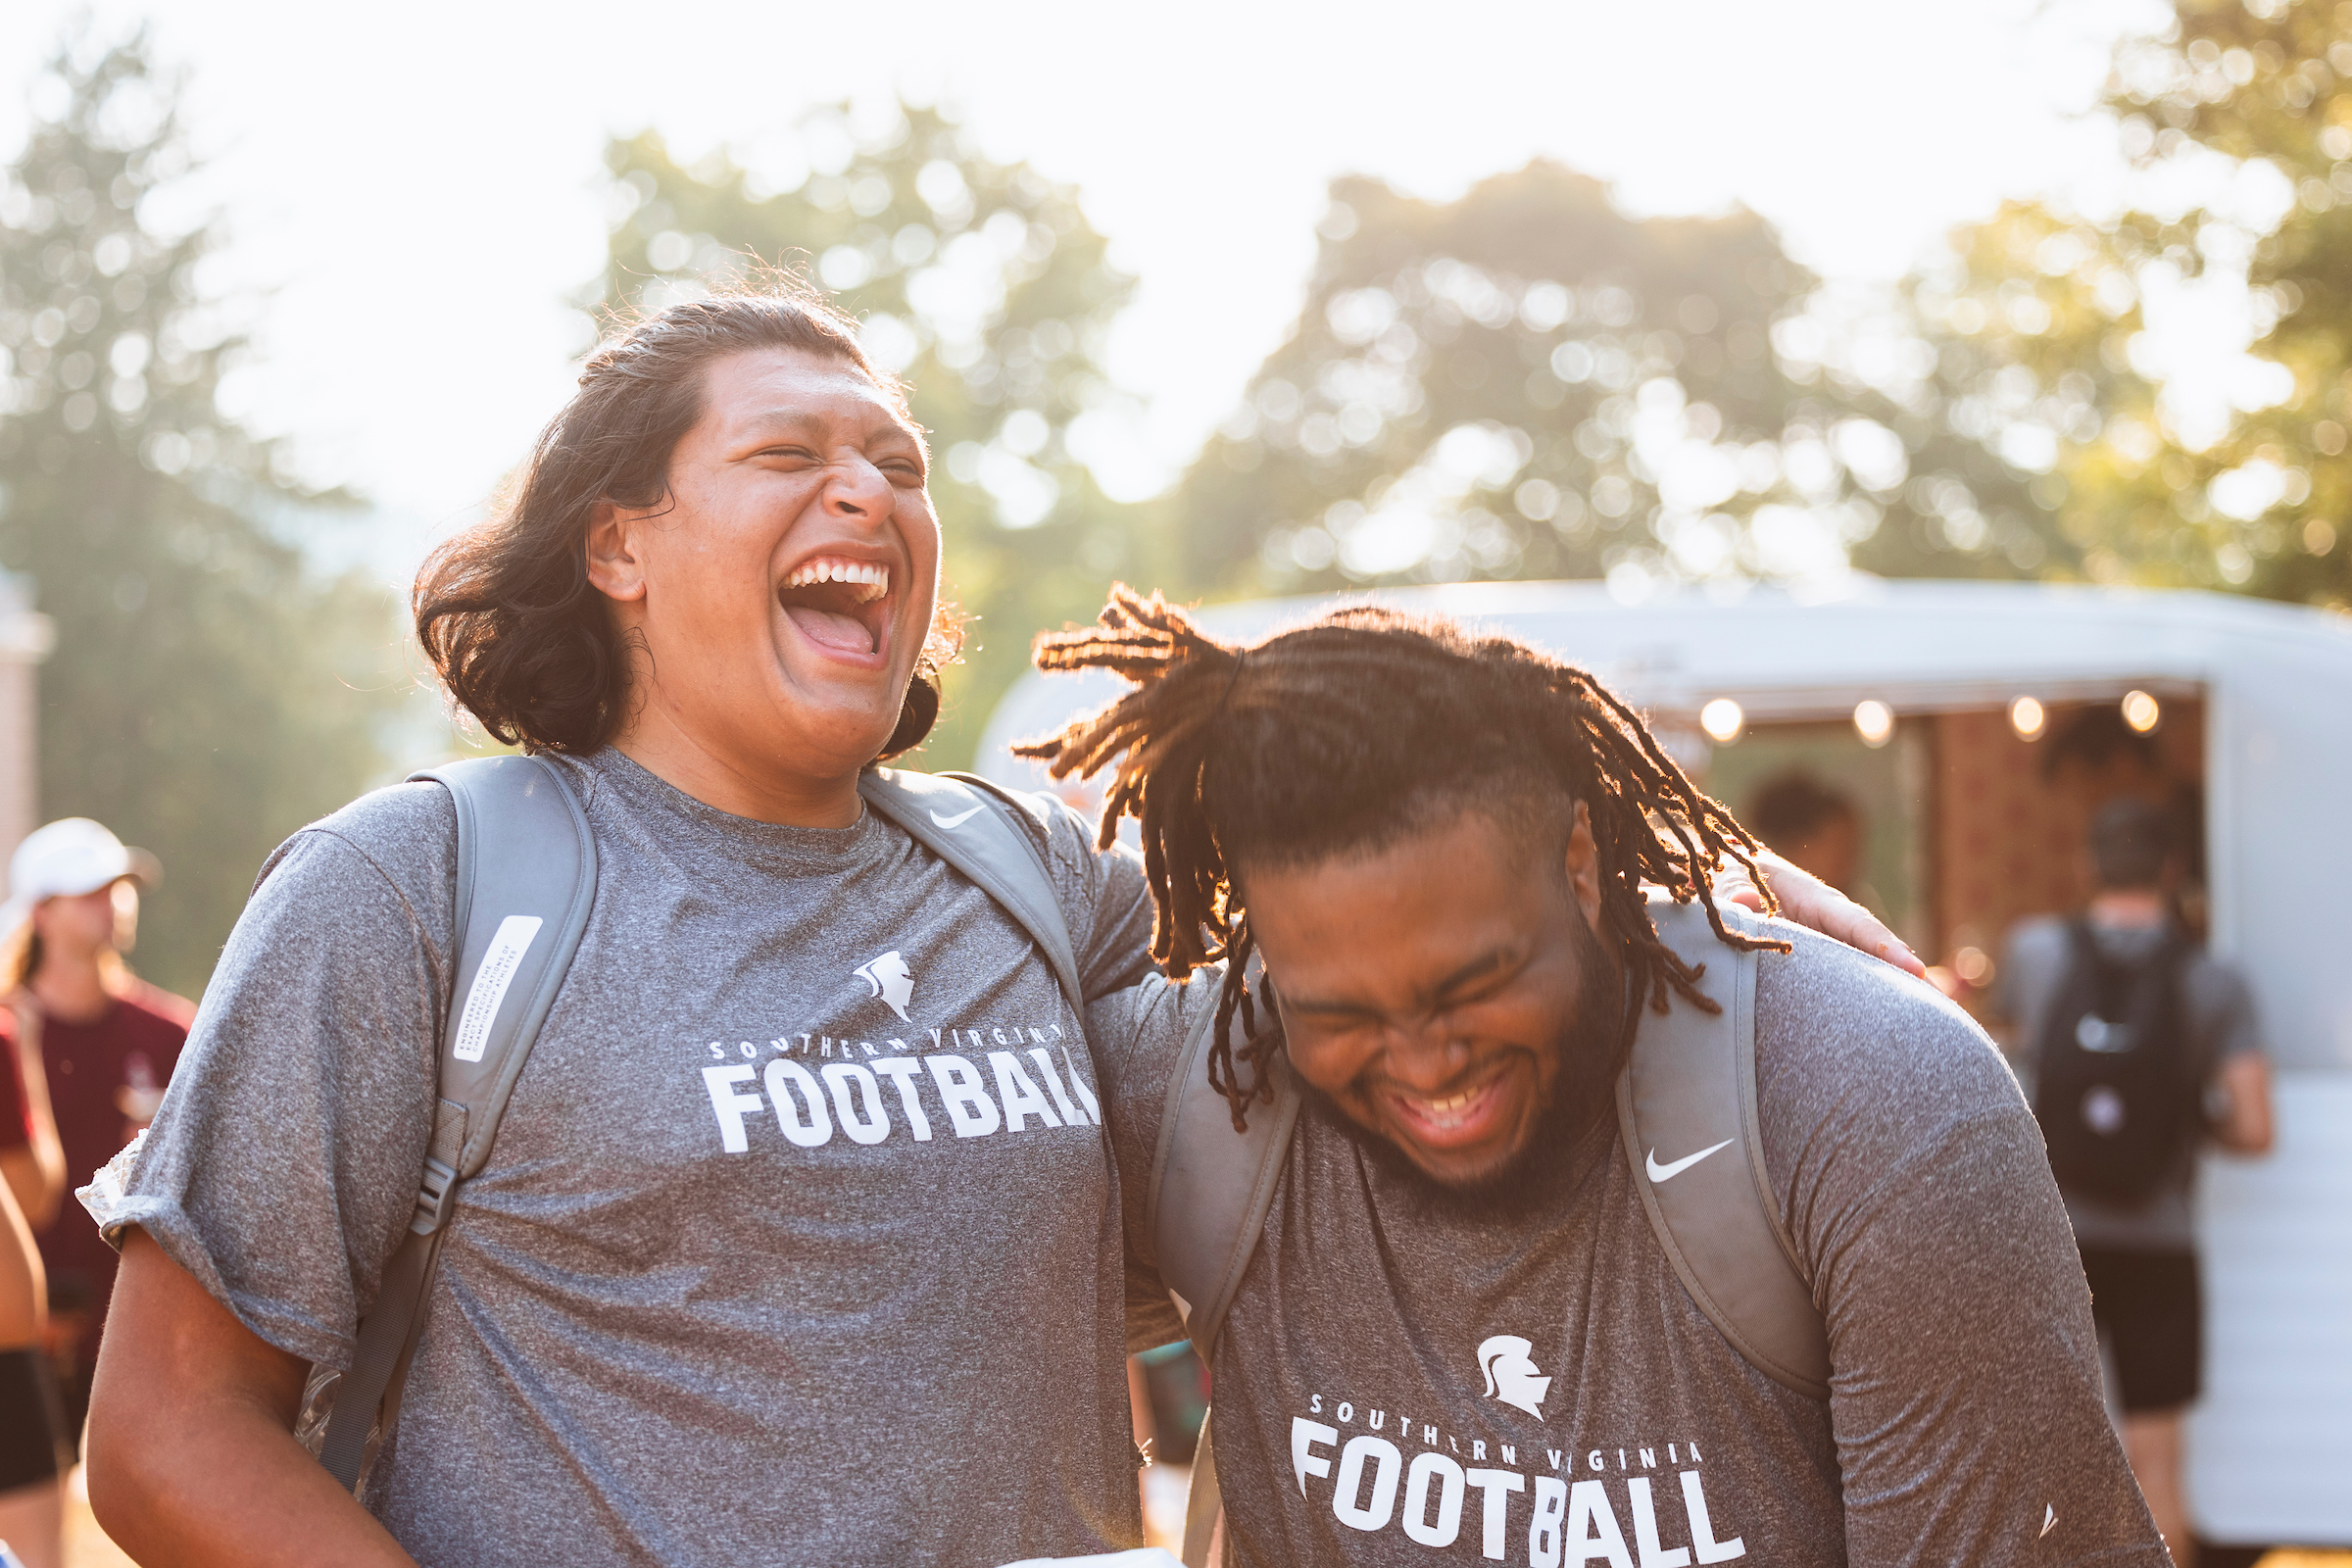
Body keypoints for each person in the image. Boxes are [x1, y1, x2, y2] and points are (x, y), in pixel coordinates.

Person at [75, 279, 1903, 1568]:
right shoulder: (421, 891)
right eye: (789, 453)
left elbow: (1407, 896)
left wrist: (1688, 881)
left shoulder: (1036, 878)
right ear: (617, 545)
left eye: (900, 463)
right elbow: (162, 1437)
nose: (868, 491)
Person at [1020, 589, 2169, 1565]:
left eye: (1473, 983)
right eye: (1341, 1016)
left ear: (1581, 862)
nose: (1425, 1061)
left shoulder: (1866, 1103)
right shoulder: (1195, 1085)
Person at [1994, 797, 2271, 1564]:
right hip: (2160, 1244)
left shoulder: (2034, 952)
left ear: (2087, 866)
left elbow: (1997, 1071)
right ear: (2172, 871)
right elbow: (2256, 1127)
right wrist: (2183, 1127)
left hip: (2053, 1242)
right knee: (2156, 1468)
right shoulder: (2213, 977)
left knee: (2043, 1467)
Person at [0, 817, 188, 1444]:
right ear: (41, 912)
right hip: (17, 1329)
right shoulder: (5, 1035)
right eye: (88, 891)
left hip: (137, 1328)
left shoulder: (171, 1034)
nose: (111, 904)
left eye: (117, 888)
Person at [1743, 771, 1864, 897]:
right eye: (1841, 845)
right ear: (1799, 846)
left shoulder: (1852, 901)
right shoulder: (1754, 899)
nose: (1851, 860)